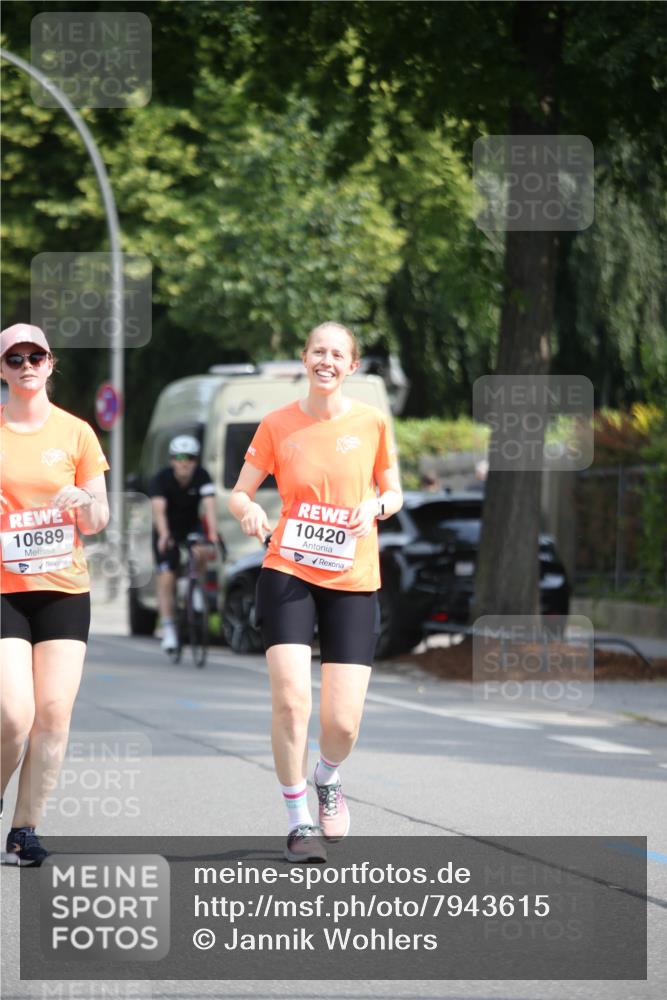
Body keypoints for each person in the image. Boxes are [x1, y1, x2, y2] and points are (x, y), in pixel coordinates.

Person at [229, 321, 402, 862]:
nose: (326, 360)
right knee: (291, 701)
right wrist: (250, 509)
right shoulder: (278, 424)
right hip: (288, 569)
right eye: (318, 351)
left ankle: (327, 775)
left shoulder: (373, 422)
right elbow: (239, 492)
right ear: (304, 358)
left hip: (352, 577)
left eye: (338, 354)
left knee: (343, 722)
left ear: (352, 366)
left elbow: (393, 492)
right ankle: (298, 818)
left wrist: (374, 507)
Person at [0, 323, 109, 866]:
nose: (25, 365)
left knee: (53, 713)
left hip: (64, 589)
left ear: (50, 363)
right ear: (1, 368)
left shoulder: (77, 433)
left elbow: (100, 516)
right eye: (13, 358)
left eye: (34, 356)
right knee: (14, 715)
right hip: (5, 590)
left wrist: (80, 503)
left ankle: (25, 831)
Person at [149, 435, 217, 651]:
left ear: (196, 460)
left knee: (202, 551)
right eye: (179, 457)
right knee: (167, 576)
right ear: (172, 460)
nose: (184, 462)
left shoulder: (203, 476)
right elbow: (158, 511)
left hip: (190, 527)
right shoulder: (161, 479)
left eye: (190, 457)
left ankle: (193, 585)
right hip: (167, 529)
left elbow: (209, 507)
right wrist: (164, 534)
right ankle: (168, 628)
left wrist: (213, 535)